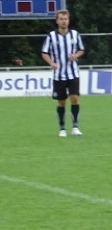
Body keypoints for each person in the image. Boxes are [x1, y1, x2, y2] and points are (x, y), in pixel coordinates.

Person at [41, 9, 85, 137]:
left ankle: (75, 127)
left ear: (68, 20)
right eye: (61, 19)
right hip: (59, 74)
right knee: (61, 101)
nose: (64, 21)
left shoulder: (75, 34)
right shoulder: (51, 36)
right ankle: (62, 128)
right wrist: (51, 63)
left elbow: (81, 49)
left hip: (73, 73)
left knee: (74, 98)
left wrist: (75, 55)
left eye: (65, 19)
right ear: (57, 21)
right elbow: (44, 52)